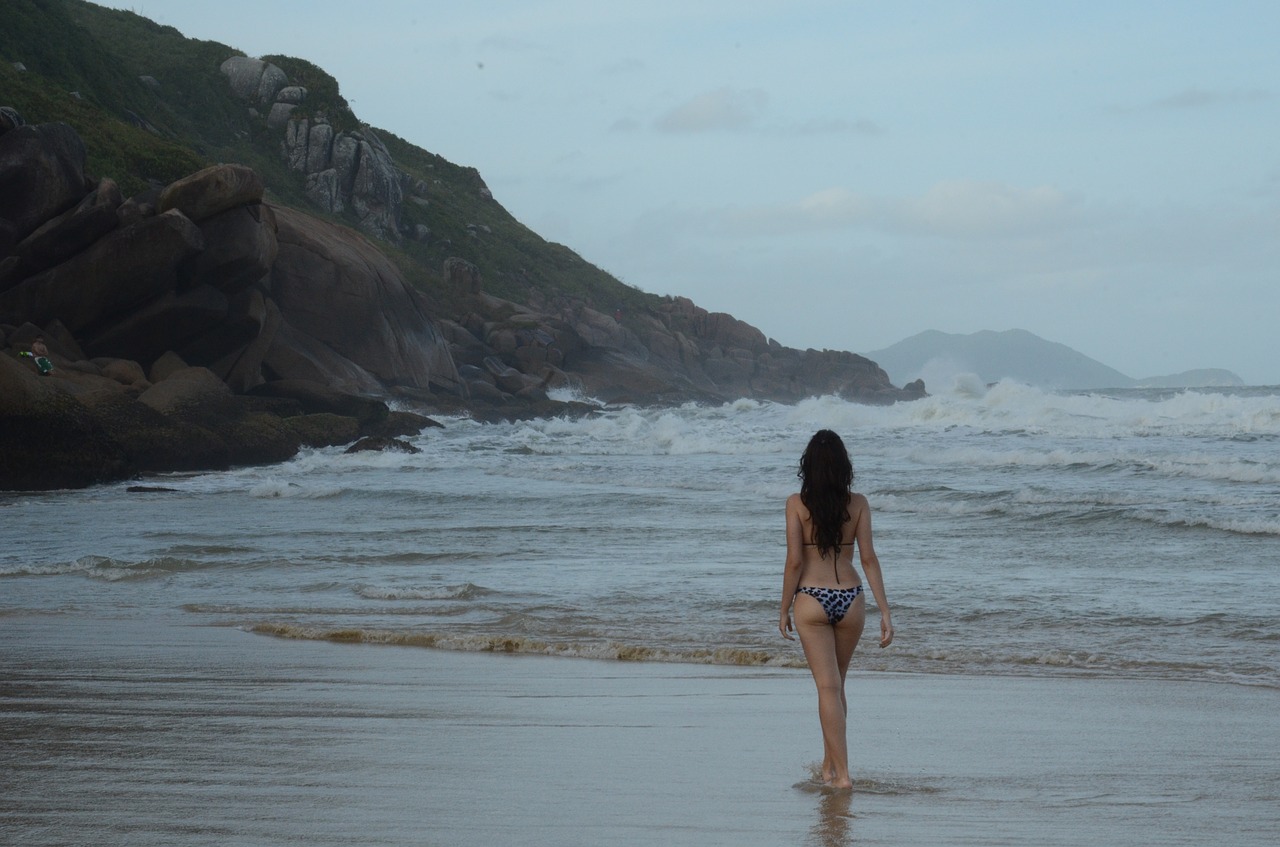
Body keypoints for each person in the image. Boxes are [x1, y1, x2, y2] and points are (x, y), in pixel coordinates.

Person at [779, 429, 893, 789]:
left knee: (827, 689)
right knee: (838, 686)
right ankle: (830, 766)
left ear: (807, 466)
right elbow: (870, 559)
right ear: (844, 465)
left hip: (812, 597)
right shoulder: (858, 503)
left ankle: (842, 776)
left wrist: (783, 608)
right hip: (851, 597)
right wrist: (885, 611)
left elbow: (795, 562)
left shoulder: (797, 504)